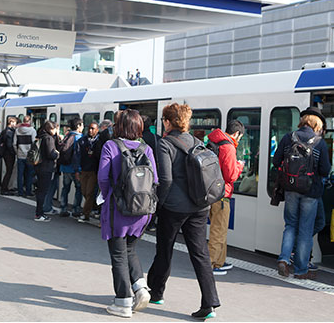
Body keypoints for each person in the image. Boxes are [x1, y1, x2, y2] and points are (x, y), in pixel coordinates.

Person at [147, 102, 221, 319]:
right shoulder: (198, 142)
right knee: (200, 254)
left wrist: (160, 203)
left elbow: (166, 179)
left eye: (163, 120)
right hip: (200, 206)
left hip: (174, 208)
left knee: (165, 249)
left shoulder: (165, 144)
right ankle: (210, 303)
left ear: (168, 122)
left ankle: (157, 293)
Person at [97, 109, 158, 318]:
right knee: (130, 249)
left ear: (119, 126)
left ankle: (122, 301)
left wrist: (107, 196)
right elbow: (155, 180)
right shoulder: (147, 148)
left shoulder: (111, 146)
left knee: (118, 254)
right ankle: (140, 288)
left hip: (118, 209)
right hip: (142, 211)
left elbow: (103, 178)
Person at [273, 107, 331, 279]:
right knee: (305, 230)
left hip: (290, 188)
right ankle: (300, 270)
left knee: (290, 225)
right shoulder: (319, 142)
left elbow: (276, 161)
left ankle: (284, 259)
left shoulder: (288, 138)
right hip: (311, 192)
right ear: (317, 124)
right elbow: (325, 170)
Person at [206, 120, 245, 275]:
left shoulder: (214, 141)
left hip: (212, 191)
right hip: (222, 194)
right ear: (236, 134)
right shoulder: (228, 146)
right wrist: (240, 165)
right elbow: (231, 175)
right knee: (218, 231)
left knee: (220, 229)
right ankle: (210, 265)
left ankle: (219, 261)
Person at [34, 120, 60, 222]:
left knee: (40, 191)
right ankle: (39, 214)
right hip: (46, 168)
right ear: (51, 129)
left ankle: (39, 213)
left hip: (39, 166)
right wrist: (57, 154)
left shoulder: (40, 136)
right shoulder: (48, 138)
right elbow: (51, 154)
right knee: (43, 191)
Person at [59, 117, 83, 217]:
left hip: (65, 167)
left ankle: (63, 208)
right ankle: (76, 209)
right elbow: (78, 155)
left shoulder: (67, 136)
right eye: (82, 125)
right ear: (78, 126)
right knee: (78, 188)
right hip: (75, 168)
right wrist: (78, 170)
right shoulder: (79, 138)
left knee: (65, 188)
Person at [77, 121, 100, 223]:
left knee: (89, 192)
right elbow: (77, 156)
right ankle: (93, 207)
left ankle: (85, 214)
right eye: (89, 128)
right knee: (84, 192)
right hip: (83, 170)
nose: (90, 130)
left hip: (94, 171)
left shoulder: (99, 142)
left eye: (93, 128)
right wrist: (77, 170)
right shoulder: (82, 141)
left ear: (97, 130)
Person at [14, 115, 36, 197]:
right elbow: (34, 144)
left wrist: (18, 152)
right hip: (29, 156)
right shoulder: (32, 131)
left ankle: (20, 191)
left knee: (20, 174)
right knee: (29, 174)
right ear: (29, 121)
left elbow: (14, 143)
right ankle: (28, 191)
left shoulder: (17, 130)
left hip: (20, 155)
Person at [0, 117, 17, 195]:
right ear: (12, 123)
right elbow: (9, 144)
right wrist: (14, 152)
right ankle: (4, 188)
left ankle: (5, 187)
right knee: (9, 171)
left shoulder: (4, 131)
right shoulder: (9, 132)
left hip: (5, 153)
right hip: (9, 154)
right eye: (15, 123)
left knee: (8, 171)